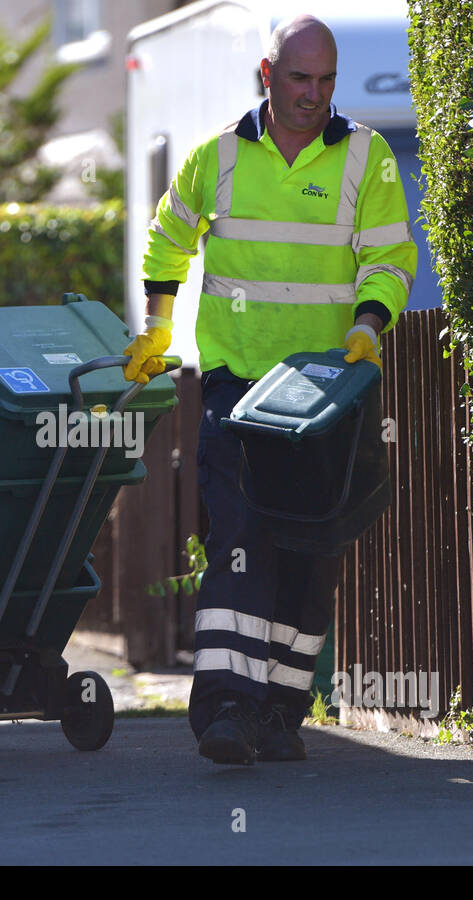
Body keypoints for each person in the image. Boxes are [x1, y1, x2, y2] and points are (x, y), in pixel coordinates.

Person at [123, 14, 416, 765]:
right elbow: (167, 236)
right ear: (266, 72)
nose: (312, 95)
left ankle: (283, 714)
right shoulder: (218, 156)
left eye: (325, 81)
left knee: (309, 551)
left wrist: (368, 327)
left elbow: (389, 256)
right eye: (298, 79)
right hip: (238, 388)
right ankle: (226, 708)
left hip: (323, 396)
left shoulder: (366, 157)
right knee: (242, 540)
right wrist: (158, 327)